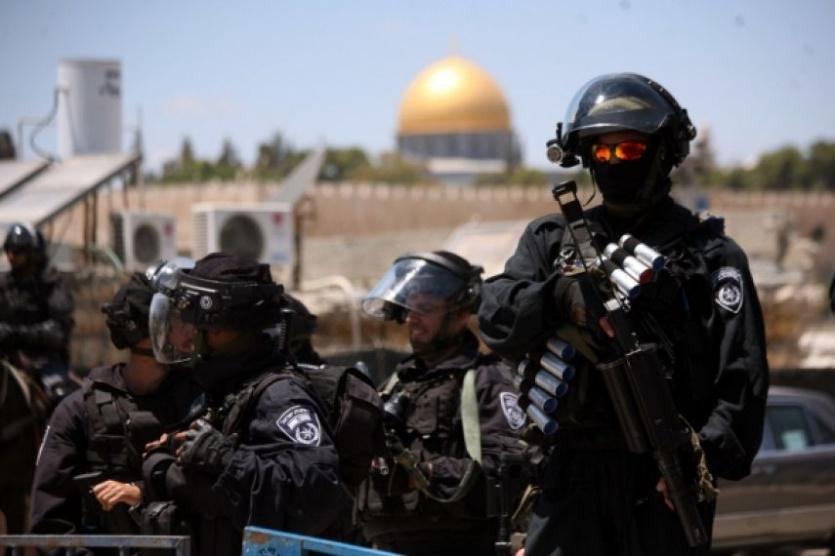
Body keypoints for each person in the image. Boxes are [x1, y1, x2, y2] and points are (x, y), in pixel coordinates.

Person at [478, 73, 769, 555]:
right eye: (602, 151)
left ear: (662, 153)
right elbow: (495, 313)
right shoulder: (551, 241)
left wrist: (700, 458)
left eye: (630, 149)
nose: (614, 161)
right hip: (571, 475)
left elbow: (742, 378)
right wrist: (560, 297)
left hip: (662, 478)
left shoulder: (710, 256)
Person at [141, 252, 348, 555]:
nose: (182, 337)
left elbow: (317, 492)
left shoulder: (279, 395)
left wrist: (224, 457)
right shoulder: (230, 390)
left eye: (187, 323)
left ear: (217, 328)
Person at [356, 250, 529, 556]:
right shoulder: (397, 384)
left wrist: (420, 473)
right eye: (409, 307)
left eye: (425, 308)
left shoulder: (486, 380)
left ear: (460, 315)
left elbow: (506, 473)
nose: (412, 318)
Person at [29, 271, 203, 541]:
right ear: (152, 331)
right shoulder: (77, 410)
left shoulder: (199, 401)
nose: (190, 331)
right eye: (177, 321)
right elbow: (50, 520)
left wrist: (142, 492)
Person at [0, 222, 75, 404]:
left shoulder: (51, 284)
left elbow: (58, 332)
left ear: (32, 253)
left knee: (60, 397)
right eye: (9, 251)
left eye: (17, 252)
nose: (11, 257)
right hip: (7, 356)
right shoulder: (4, 284)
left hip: (43, 360)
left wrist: (15, 333)